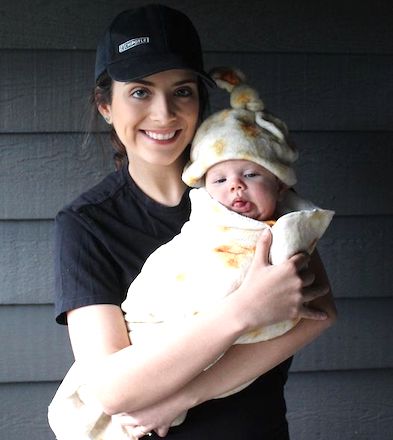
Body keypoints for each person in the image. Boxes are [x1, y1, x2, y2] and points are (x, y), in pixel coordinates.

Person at [48, 4, 336, 440]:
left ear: (201, 101)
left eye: (182, 91)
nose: (164, 114)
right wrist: (245, 310)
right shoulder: (87, 224)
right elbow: (110, 390)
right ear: (106, 104)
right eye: (140, 92)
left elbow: (319, 314)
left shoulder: (245, 191)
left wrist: (183, 397)